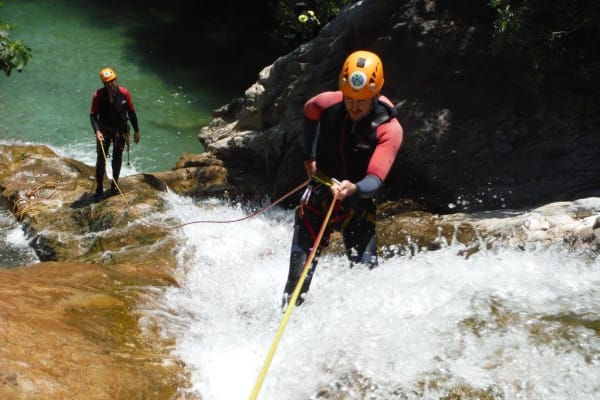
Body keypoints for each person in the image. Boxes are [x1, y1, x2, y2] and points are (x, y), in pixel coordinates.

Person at [281, 50, 404, 308]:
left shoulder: (388, 129)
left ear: (375, 95)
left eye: (362, 100)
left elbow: (376, 178)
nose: (354, 106)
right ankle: (286, 322)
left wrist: (355, 188)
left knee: (365, 278)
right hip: (320, 193)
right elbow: (309, 111)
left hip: (357, 202)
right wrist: (309, 155)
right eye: (350, 98)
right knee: (297, 280)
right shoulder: (328, 103)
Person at [90, 67, 140, 197]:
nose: (111, 84)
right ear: (104, 84)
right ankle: (99, 186)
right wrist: (97, 131)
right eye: (108, 82)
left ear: (115, 80)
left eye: (112, 81)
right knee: (101, 159)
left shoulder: (124, 93)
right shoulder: (98, 96)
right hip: (104, 131)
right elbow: (93, 115)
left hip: (120, 131)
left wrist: (136, 131)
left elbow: (132, 112)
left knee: (117, 158)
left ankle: (114, 185)